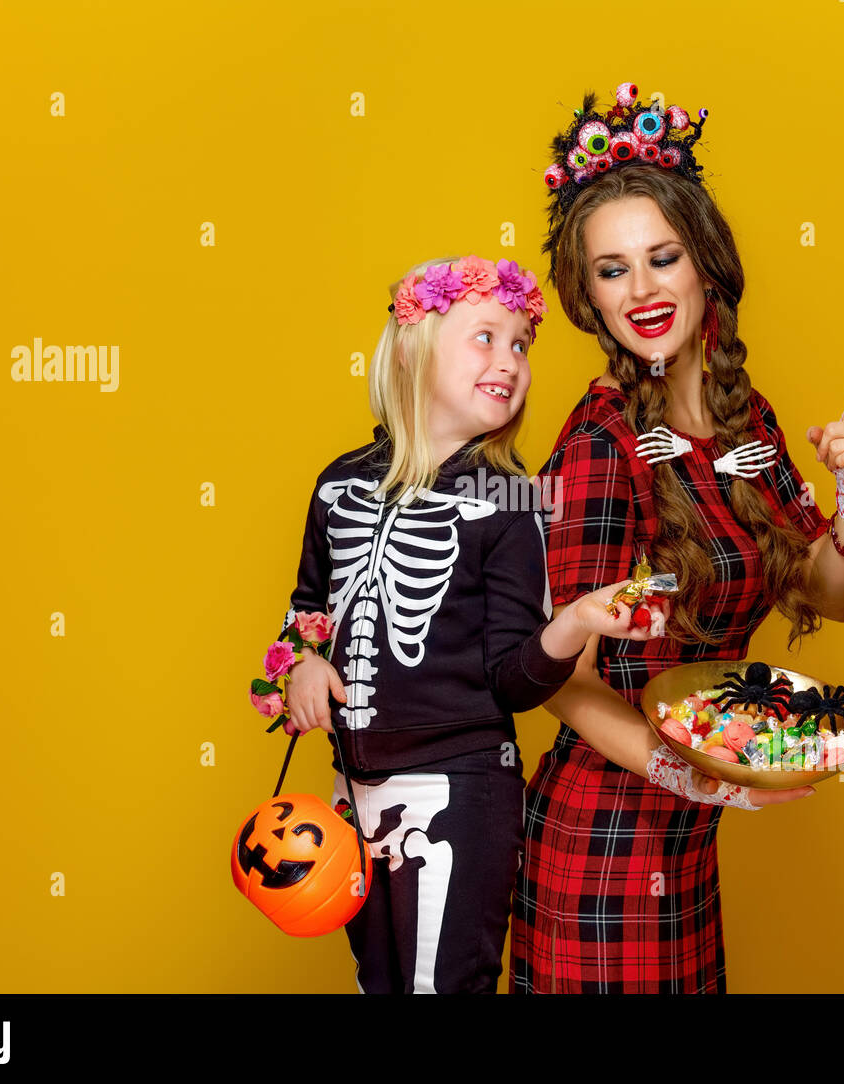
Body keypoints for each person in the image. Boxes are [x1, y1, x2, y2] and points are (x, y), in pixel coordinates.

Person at [510, 84, 844, 993]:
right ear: (587, 299)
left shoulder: (742, 420)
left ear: (705, 264)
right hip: (599, 852)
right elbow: (556, 671)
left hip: (685, 854)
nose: (640, 291)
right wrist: (694, 780)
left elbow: (829, 597)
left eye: (661, 257)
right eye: (611, 270)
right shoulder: (600, 442)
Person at [273, 254, 660, 994]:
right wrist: (303, 663)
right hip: (350, 790)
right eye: (485, 338)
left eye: (521, 345)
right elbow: (306, 611)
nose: (509, 362)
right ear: (416, 349)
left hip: (459, 791)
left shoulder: (509, 504)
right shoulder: (337, 482)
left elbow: (513, 679)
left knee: (445, 985)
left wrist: (576, 618)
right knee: (378, 983)